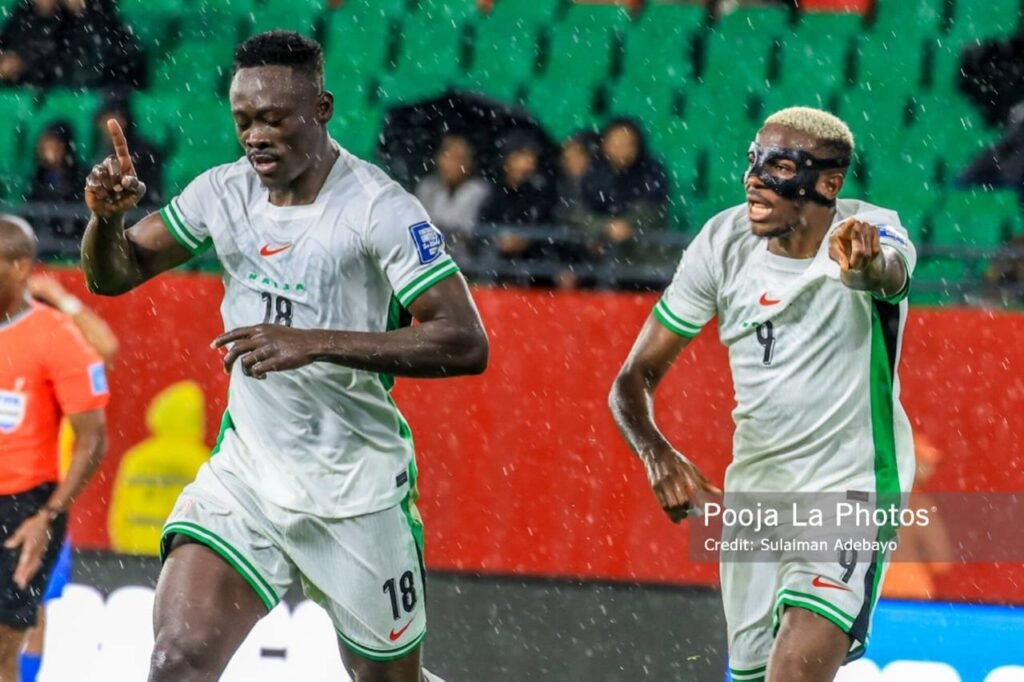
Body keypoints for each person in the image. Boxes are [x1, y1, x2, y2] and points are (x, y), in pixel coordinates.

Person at [81, 30, 488, 682]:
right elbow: (114, 274)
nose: (256, 136)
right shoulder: (223, 192)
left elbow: (466, 341)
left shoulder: (379, 209)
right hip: (248, 480)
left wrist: (316, 341)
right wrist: (104, 220)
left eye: (275, 118)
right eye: (243, 119)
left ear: (322, 109)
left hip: (355, 490)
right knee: (175, 661)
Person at [609, 107, 916, 682]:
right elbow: (633, 378)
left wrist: (868, 262)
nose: (754, 177)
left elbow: (889, 271)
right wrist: (656, 452)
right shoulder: (722, 241)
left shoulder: (871, 228)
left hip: (850, 492)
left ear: (828, 183)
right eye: (753, 161)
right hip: (755, 497)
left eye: (778, 165)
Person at [0, 215, 109, 682]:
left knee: (11, 637)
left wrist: (48, 514)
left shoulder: (55, 336)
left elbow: (94, 437)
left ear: (21, 267)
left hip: (24, 507)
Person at [17, 272, 117, 682]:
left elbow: (107, 349)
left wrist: (62, 298)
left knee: (29, 604)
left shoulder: (55, 350)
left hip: (37, 496)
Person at [577, 117, 669, 257]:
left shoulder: (652, 172)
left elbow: (651, 211)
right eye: (616, 143)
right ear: (604, 144)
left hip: (644, 257)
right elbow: (578, 213)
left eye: (629, 144)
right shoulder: (591, 172)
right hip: (595, 255)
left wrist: (628, 225)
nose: (622, 149)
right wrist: (606, 227)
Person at [414, 134, 490, 252]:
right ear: (439, 160)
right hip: (427, 257)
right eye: (448, 157)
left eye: (458, 158)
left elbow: (469, 233)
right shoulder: (427, 187)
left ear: (469, 163)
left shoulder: (479, 191)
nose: (453, 164)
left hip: (467, 262)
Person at [91, 99, 165, 206]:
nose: (109, 126)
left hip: (138, 212)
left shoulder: (144, 151)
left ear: (125, 121)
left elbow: (149, 190)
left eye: (116, 119)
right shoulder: (98, 149)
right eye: (105, 120)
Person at [0, 0, 64, 86]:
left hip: (43, 88)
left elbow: (57, 61)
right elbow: (7, 40)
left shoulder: (65, 21)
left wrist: (21, 64)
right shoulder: (22, 13)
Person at [28, 122, 85, 204]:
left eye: (52, 146)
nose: (46, 152)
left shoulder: (81, 177)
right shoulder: (38, 178)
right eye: (43, 147)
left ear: (65, 147)